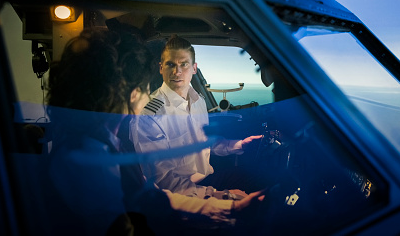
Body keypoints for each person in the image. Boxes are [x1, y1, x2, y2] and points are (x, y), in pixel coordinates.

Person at [46, 29, 264, 235]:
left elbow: (152, 199)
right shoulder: (90, 161)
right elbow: (139, 214)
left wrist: (228, 205)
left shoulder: (101, 145)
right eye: (146, 85)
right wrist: (226, 205)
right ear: (133, 94)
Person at [132, 35, 263, 199]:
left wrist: (237, 145)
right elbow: (164, 182)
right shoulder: (150, 116)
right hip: (179, 196)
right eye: (171, 64)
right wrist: (222, 196)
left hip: (205, 181)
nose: (177, 72)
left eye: (184, 64)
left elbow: (203, 142)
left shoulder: (198, 101)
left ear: (194, 68)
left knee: (257, 177)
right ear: (161, 68)